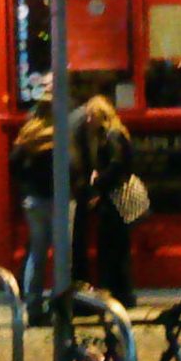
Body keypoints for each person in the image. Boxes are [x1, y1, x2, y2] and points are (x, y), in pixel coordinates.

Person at [73, 95, 137, 308]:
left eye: (92, 115)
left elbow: (117, 165)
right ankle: (122, 294)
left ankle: (118, 295)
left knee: (111, 249)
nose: (88, 119)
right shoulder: (116, 133)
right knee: (117, 249)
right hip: (114, 199)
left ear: (102, 115)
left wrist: (98, 180)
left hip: (114, 202)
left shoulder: (112, 135)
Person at [8, 102, 56, 326]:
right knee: (62, 254)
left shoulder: (29, 134)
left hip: (34, 199)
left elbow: (13, 164)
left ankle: (33, 303)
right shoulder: (57, 134)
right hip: (57, 199)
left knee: (36, 254)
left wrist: (26, 183)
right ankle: (59, 303)